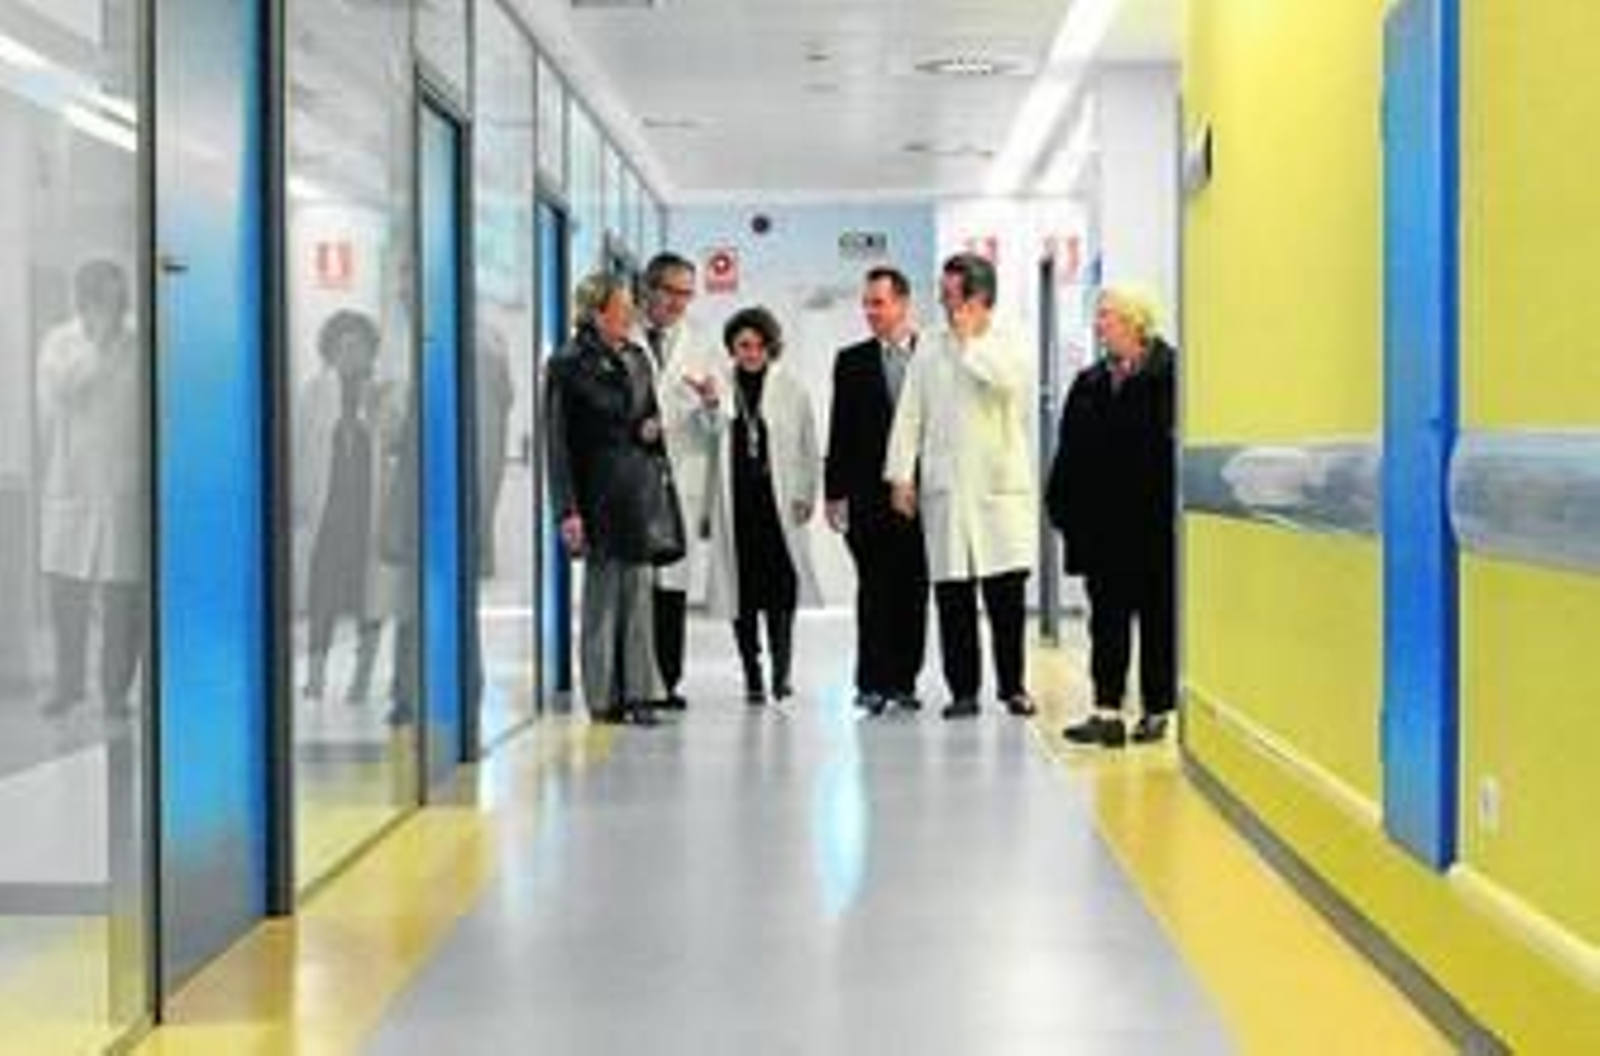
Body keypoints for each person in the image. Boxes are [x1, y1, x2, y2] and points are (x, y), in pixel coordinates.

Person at [885, 252, 1037, 720]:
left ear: (978, 297)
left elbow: (1008, 385)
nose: (944, 302)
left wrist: (971, 342)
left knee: (1006, 597)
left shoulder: (1010, 339)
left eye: (951, 294)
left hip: (997, 492)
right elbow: (910, 412)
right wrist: (901, 475)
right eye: (943, 293)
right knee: (953, 599)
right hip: (946, 489)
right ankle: (963, 692)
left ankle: (1013, 687)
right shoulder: (930, 344)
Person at [1048, 286, 1177, 747]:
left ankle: (1157, 709)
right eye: (1099, 316)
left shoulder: (1171, 375)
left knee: (1158, 620)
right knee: (1106, 621)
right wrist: (1060, 506)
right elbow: (1069, 451)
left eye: (1107, 316)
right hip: (1102, 527)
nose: (1099, 324)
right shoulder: (1089, 382)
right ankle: (1107, 711)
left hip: (1155, 525)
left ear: (1134, 323)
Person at [546, 272, 675, 726]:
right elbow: (558, 444)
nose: (630, 314)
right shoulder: (567, 363)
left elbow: (650, 415)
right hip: (596, 494)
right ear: (597, 313)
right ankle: (603, 698)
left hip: (638, 490)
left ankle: (641, 694)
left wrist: (653, 431)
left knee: (639, 597)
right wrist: (567, 509)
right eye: (621, 308)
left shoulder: (637, 358)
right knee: (602, 599)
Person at [35, 260, 146, 716]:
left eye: (118, 297)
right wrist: (98, 345)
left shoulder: (140, 342)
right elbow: (62, 391)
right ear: (84, 299)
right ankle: (69, 685)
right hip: (72, 486)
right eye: (102, 296)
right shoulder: (60, 343)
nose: (112, 306)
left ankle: (116, 691)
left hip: (124, 489)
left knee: (123, 598)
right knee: (67, 594)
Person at [702, 306, 821, 706]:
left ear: (771, 347)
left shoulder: (792, 389)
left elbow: (808, 446)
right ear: (732, 349)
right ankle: (752, 674)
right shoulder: (720, 386)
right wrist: (709, 405)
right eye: (743, 346)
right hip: (737, 506)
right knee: (743, 594)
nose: (751, 353)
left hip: (778, 506)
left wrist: (806, 493)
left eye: (758, 346)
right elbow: (708, 436)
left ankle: (781, 674)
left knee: (781, 589)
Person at [824, 267, 929, 716]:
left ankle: (904, 681)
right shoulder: (851, 361)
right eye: (866, 303)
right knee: (873, 589)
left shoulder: (930, 356)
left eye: (879, 303)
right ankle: (871, 682)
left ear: (902, 303)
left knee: (913, 589)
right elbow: (840, 430)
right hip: (867, 496)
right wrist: (834, 493)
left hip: (920, 495)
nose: (870, 311)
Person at [292, 309, 400, 705]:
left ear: (371, 351)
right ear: (331, 351)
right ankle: (315, 677)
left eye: (359, 346)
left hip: (370, 513)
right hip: (328, 513)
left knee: (370, 599)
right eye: (344, 346)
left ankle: (361, 678)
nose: (352, 354)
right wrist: (298, 504)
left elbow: (396, 444)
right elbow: (299, 450)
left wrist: (378, 409)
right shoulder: (313, 395)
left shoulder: (386, 393)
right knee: (322, 593)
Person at [633, 252, 719, 711]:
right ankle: (633, 683)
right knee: (636, 588)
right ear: (649, 288)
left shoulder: (700, 344)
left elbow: (716, 427)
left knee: (671, 588)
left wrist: (710, 403)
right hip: (632, 479)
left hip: (680, 479)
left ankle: (666, 683)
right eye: (672, 291)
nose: (679, 303)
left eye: (687, 294)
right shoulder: (623, 335)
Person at [475, 326, 516, 579]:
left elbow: (508, 396)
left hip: (485, 435)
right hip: (491, 437)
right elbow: (508, 396)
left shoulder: (482, 345)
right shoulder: (494, 345)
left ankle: (481, 561)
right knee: (486, 501)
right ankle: (483, 562)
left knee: (479, 500)